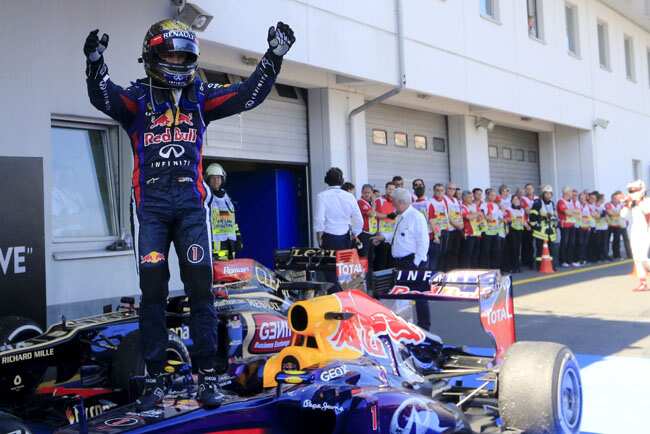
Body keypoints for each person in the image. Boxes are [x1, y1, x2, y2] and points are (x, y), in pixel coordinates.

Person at [84, 20, 295, 408]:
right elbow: (104, 98)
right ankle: (152, 382)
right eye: (170, 53)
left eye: (184, 54)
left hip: (192, 210)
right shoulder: (138, 98)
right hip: (151, 209)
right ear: (152, 55)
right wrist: (95, 62)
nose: (177, 60)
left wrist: (273, 58)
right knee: (153, 294)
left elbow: (246, 95)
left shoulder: (200, 95)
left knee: (201, 293)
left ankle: (209, 378)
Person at [372, 188, 430, 329]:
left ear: (402, 202)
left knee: (419, 296)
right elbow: (398, 235)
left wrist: (415, 263)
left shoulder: (416, 217)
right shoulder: (400, 216)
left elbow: (423, 241)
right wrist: (384, 237)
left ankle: (424, 328)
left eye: (394, 203)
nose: (393, 206)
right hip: (400, 262)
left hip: (413, 262)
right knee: (401, 295)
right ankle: (404, 327)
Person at [314, 168, 363, 251]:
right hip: (345, 238)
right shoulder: (349, 196)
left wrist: (319, 239)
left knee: (330, 263)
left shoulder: (321, 196)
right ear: (342, 180)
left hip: (329, 237)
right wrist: (355, 233)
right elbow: (358, 219)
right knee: (343, 263)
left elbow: (319, 219)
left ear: (326, 180)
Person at [206, 163, 242, 261]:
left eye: (218, 178)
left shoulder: (227, 198)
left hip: (230, 244)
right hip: (215, 247)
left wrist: (238, 238)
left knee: (229, 274)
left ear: (222, 179)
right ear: (208, 180)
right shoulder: (206, 198)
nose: (216, 181)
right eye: (213, 178)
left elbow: (232, 220)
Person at [620, 181, 650, 291]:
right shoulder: (631, 203)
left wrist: (637, 202)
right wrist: (627, 205)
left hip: (646, 231)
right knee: (637, 258)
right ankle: (643, 283)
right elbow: (623, 215)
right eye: (631, 191)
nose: (632, 192)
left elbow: (647, 211)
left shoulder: (647, 201)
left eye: (634, 190)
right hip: (634, 232)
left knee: (643, 258)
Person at [529, 185, 558, 271]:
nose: (548, 195)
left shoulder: (552, 203)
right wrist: (535, 226)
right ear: (543, 194)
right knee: (540, 250)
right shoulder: (537, 203)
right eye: (547, 193)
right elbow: (532, 216)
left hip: (550, 231)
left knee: (551, 250)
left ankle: (551, 266)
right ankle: (539, 266)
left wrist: (555, 224)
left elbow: (554, 215)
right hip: (540, 232)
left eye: (550, 194)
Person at [374, 182, 397, 270]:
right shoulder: (379, 200)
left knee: (391, 263)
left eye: (393, 189)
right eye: (389, 189)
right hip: (381, 236)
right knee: (380, 263)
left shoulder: (396, 202)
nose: (391, 191)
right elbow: (374, 215)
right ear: (386, 189)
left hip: (392, 237)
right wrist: (378, 233)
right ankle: (379, 282)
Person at [480, 188, 504, 269]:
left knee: (495, 251)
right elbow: (483, 215)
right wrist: (487, 217)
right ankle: (486, 268)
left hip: (495, 230)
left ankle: (495, 268)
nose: (493, 197)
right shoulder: (483, 205)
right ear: (487, 195)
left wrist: (501, 219)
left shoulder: (496, 205)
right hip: (486, 231)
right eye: (492, 195)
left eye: (494, 195)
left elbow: (498, 217)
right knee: (486, 251)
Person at [428, 183, 450, 270]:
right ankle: (434, 275)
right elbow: (431, 219)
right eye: (437, 190)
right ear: (434, 191)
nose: (440, 192)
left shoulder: (444, 201)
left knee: (444, 254)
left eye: (441, 190)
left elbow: (446, 215)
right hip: (436, 232)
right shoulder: (430, 202)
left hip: (445, 230)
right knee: (436, 256)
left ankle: (442, 274)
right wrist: (436, 234)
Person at [504, 195, 528, 273]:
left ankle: (517, 266)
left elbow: (523, 220)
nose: (516, 200)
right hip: (512, 230)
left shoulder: (522, 210)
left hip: (520, 230)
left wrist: (527, 226)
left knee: (518, 248)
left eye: (517, 199)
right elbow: (506, 219)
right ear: (511, 201)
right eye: (514, 199)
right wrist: (511, 219)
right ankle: (512, 266)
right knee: (512, 248)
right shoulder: (508, 209)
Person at [444, 183, 464, 270]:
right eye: (450, 189)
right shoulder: (444, 199)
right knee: (448, 252)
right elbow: (446, 215)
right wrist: (456, 225)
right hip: (449, 229)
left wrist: (461, 225)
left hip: (457, 229)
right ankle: (447, 270)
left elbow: (459, 214)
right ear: (446, 189)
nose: (452, 191)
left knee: (456, 251)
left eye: (453, 189)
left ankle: (454, 270)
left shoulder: (456, 200)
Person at [606, 191, 631, 260]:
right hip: (610, 225)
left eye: (618, 198)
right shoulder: (608, 204)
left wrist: (617, 214)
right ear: (613, 198)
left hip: (619, 225)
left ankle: (617, 255)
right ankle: (606, 255)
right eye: (616, 198)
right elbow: (610, 213)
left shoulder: (621, 205)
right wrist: (618, 213)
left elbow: (625, 213)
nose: (617, 200)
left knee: (617, 240)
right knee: (607, 240)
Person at [460, 191, 482, 268]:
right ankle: (466, 271)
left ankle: (474, 271)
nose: (471, 199)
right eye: (469, 197)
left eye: (471, 197)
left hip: (477, 232)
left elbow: (480, 216)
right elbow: (468, 217)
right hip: (468, 233)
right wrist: (476, 214)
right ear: (464, 198)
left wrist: (476, 214)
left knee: (475, 254)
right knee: (467, 255)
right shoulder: (462, 206)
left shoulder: (474, 206)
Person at [557, 186, 577, 267]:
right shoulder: (561, 202)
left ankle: (570, 260)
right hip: (564, 224)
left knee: (571, 243)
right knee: (564, 242)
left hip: (572, 224)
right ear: (566, 193)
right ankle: (563, 260)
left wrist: (572, 211)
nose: (571, 194)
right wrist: (573, 212)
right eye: (570, 192)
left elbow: (577, 211)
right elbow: (567, 212)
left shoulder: (571, 202)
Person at [357, 184, 378, 259]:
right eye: (365, 192)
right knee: (364, 256)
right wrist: (374, 202)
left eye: (369, 192)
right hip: (364, 234)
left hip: (371, 233)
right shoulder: (361, 202)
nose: (367, 194)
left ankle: (370, 271)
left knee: (371, 257)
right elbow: (371, 214)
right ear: (361, 193)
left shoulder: (370, 204)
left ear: (372, 193)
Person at [520, 183, 537, 269]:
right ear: (525, 190)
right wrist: (535, 210)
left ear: (533, 189)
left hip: (536, 223)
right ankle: (527, 262)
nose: (529, 190)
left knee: (536, 243)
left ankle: (534, 261)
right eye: (527, 189)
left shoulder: (537, 198)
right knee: (527, 243)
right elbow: (527, 211)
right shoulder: (523, 199)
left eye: (531, 188)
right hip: (527, 223)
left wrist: (533, 210)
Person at [595, 193, 610, 261]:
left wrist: (604, 215)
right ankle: (600, 256)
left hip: (605, 226)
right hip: (598, 227)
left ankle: (605, 255)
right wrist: (603, 214)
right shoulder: (595, 206)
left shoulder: (603, 206)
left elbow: (605, 215)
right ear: (600, 199)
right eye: (603, 198)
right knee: (599, 243)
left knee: (605, 242)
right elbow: (597, 216)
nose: (604, 200)